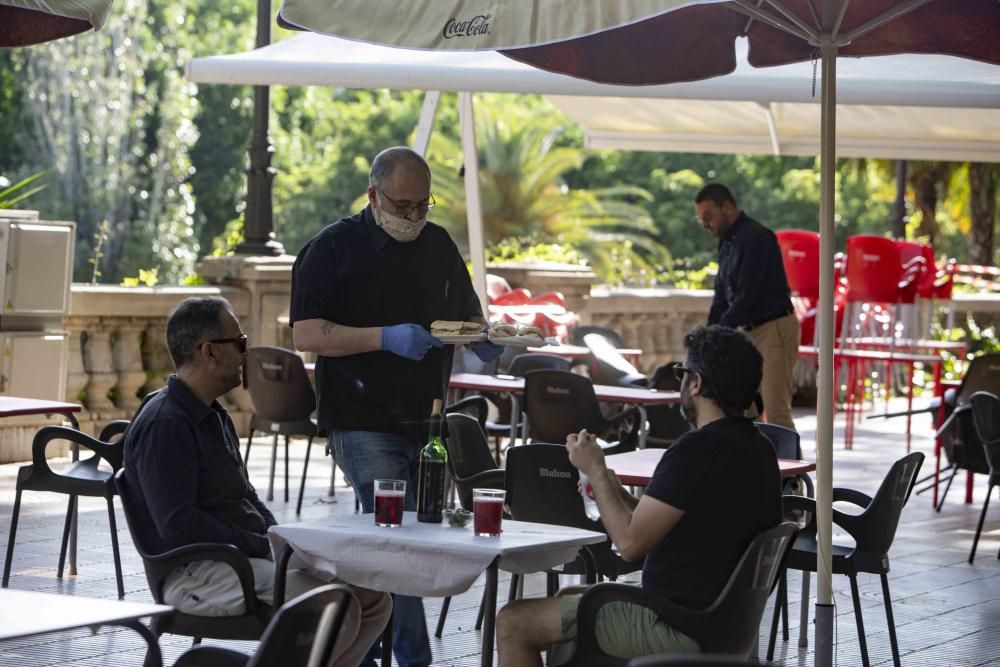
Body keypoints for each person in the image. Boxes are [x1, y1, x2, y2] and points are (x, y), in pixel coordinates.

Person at [290, 146, 502, 667]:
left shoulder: (438, 245)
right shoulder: (333, 248)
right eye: (402, 205)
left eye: (422, 206)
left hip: (426, 419)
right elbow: (305, 333)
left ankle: (358, 649)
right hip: (361, 416)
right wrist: (383, 338)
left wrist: (484, 340)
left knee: (407, 536)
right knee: (396, 534)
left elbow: (467, 317)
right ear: (373, 195)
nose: (412, 217)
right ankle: (412, 657)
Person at [121, 297, 391, 667]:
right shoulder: (166, 423)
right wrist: (259, 545)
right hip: (197, 572)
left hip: (240, 559)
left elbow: (244, 494)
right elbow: (177, 524)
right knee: (334, 606)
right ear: (209, 352)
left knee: (374, 598)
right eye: (240, 343)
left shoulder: (212, 412)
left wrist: (279, 538)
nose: (246, 354)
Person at [495, 325, 783, 665]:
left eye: (682, 374)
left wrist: (597, 471)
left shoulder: (698, 451)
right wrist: (613, 490)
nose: (681, 385)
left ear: (698, 383)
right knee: (570, 597)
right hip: (725, 626)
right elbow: (673, 524)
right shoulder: (760, 449)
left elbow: (630, 544)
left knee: (513, 622)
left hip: (676, 625)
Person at [694, 183, 799, 431]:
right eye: (701, 220)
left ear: (727, 207)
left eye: (708, 217)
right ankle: (753, 469)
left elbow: (745, 296)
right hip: (748, 333)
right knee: (743, 413)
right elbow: (721, 296)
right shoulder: (726, 243)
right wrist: (705, 337)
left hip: (773, 328)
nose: (705, 225)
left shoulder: (756, 238)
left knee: (776, 415)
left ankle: (793, 471)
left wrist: (715, 336)